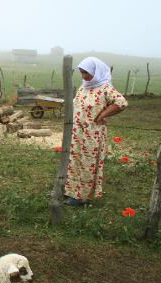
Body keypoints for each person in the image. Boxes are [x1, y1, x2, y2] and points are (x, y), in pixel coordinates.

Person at [64, 57, 128, 206]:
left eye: (86, 73)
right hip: (76, 132)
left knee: (87, 163)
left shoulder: (105, 88)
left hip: (92, 134)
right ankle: (70, 191)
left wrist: (102, 114)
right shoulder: (84, 86)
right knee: (73, 161)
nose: (83, 76)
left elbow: (122, 103)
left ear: (95, 71)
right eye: (81, 73)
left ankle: (82, 197)